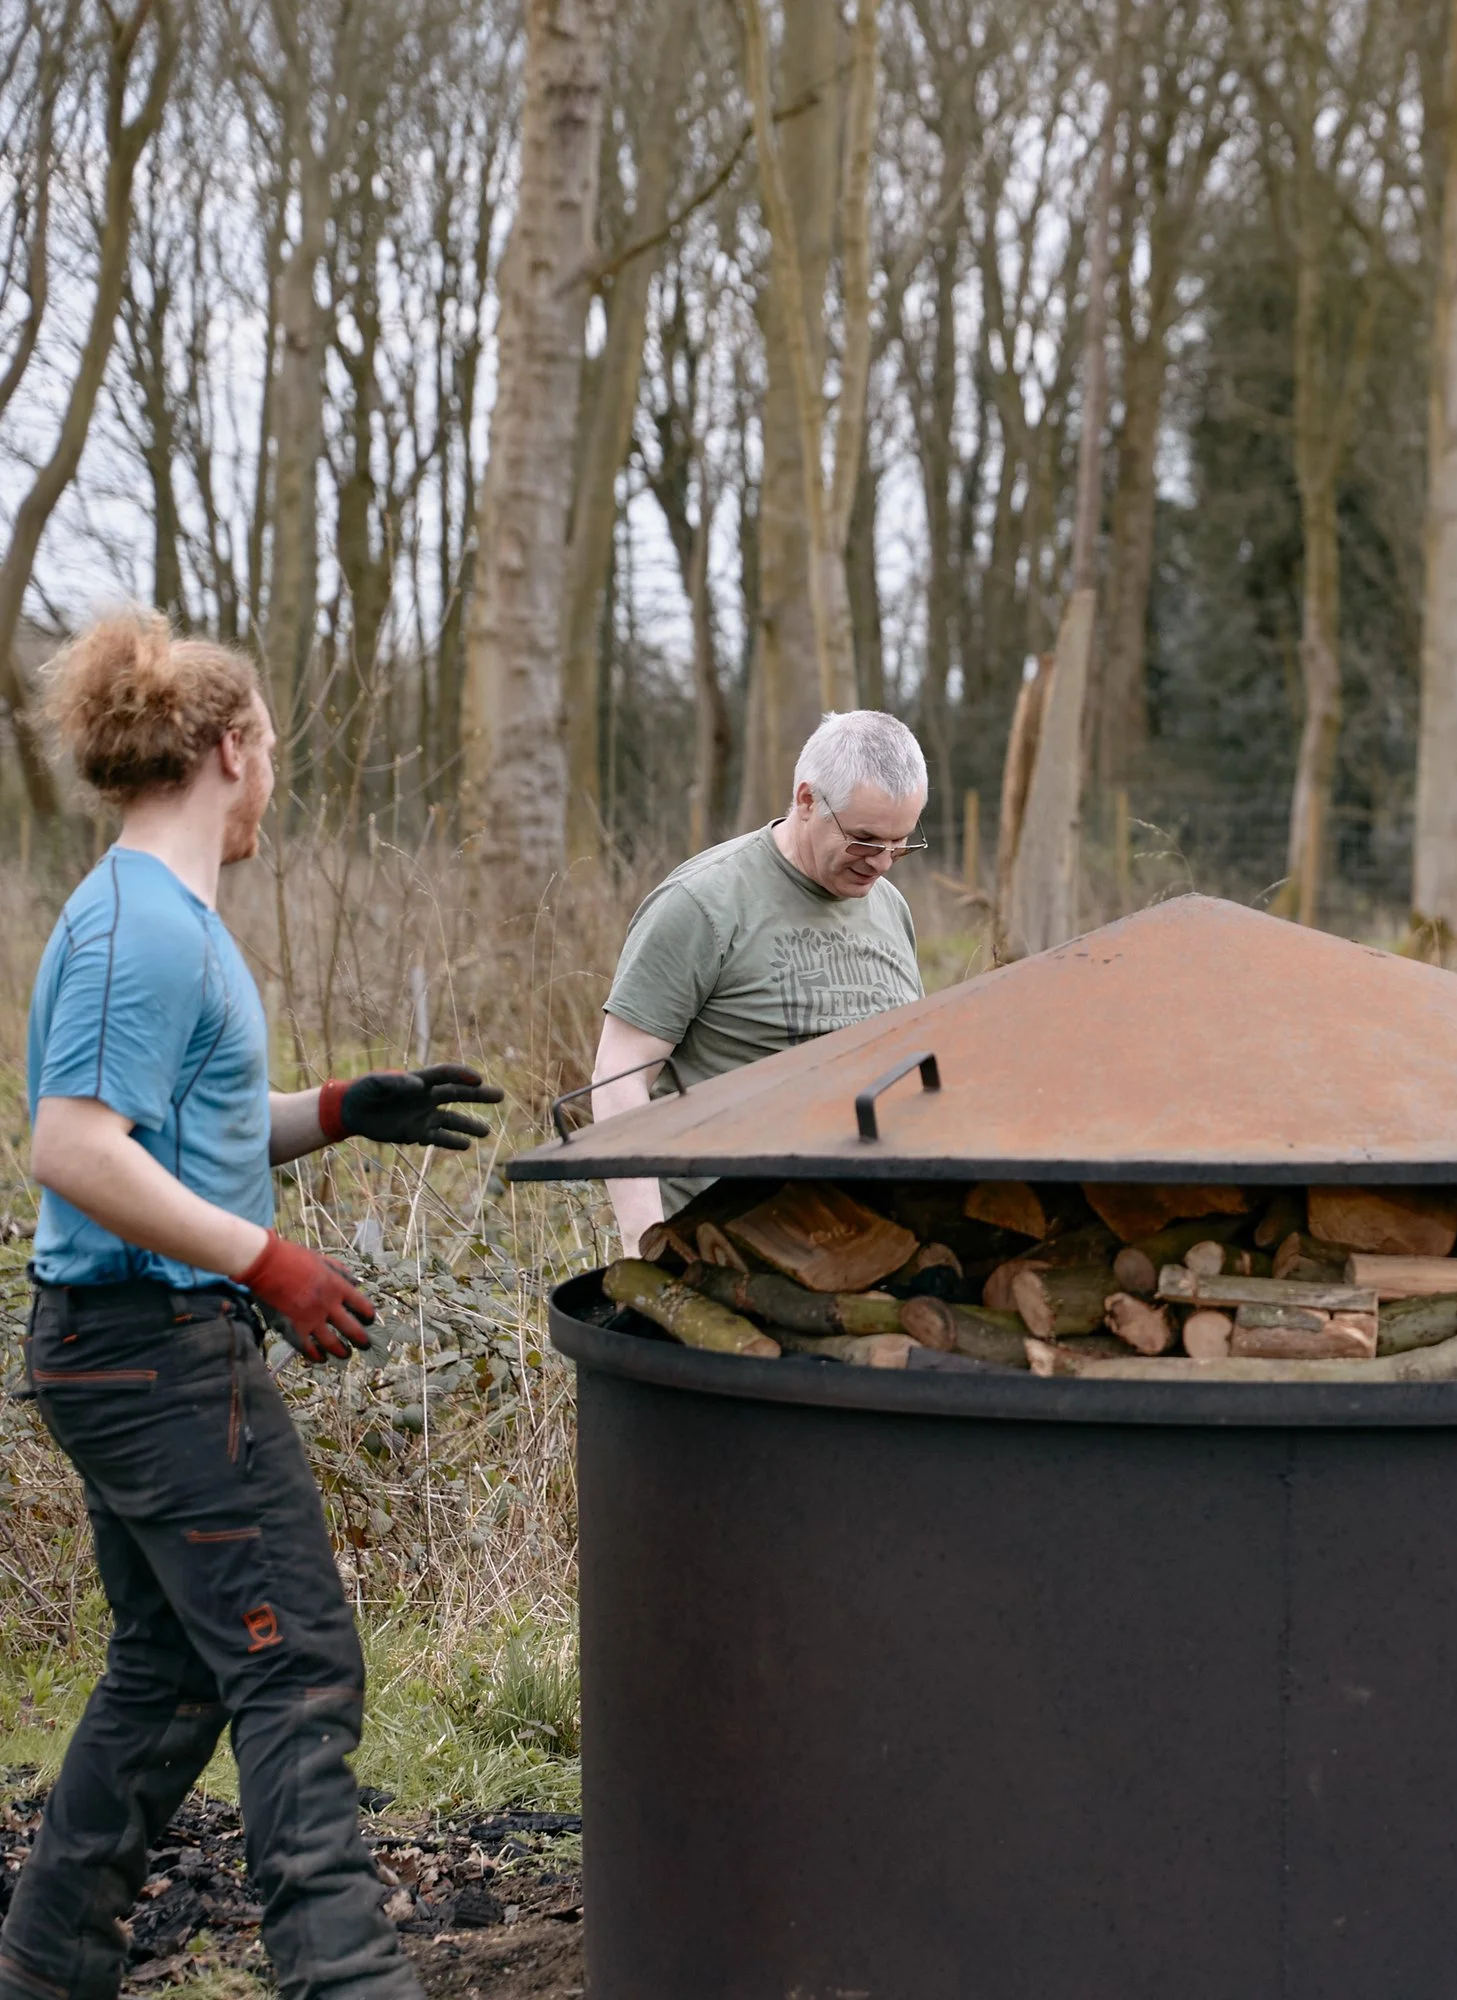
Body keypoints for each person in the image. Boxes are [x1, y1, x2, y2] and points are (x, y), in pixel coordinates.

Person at [5, 612, 503, 2000]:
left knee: (168, 1672)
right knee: (300, 1670)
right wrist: (265, 1263)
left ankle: (45, 1972)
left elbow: (177, 1135)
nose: (272, 778)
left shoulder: (166, 921)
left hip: (131, 1347)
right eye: (270, 749)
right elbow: (74, 1147)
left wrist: (338, 1112)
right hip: (152, 1352)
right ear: (232, 751)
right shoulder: (134, 932)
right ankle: (345, 1980)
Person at [592, 709, 929, 1247]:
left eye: (901, 843)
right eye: (865, 840)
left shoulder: (889, 907)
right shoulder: (703, 904)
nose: (883, 863)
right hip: (725, 1249)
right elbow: (618, 1078)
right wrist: (645, 1243)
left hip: (867, 1242)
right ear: (806, 800)